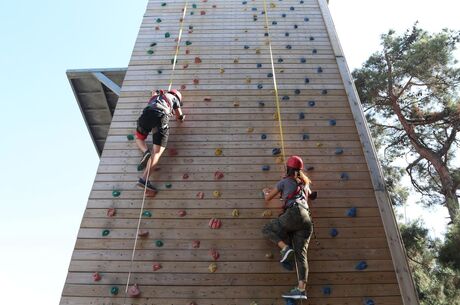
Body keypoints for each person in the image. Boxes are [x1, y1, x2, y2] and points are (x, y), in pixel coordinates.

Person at [262, 155, 313, 300]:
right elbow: (310, 195)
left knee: (267, 229)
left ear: (287, 168)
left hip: (294, 213)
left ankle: (285, 248)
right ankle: (301, 289)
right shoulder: (304, 184)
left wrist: (265, 191)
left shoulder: (284, 181)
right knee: (301, 255)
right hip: (307, 220)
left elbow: (267, 198)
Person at [135, 89, 185, 192]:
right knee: (157, 152)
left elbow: (153, 92)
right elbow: (179, 116)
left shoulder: (154, 97)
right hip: (160, 116)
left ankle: (145, 151)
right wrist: (181, 117)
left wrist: (156, 92)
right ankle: (143, 180)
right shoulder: (174, 99)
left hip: (146, 114)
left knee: (139, 138)